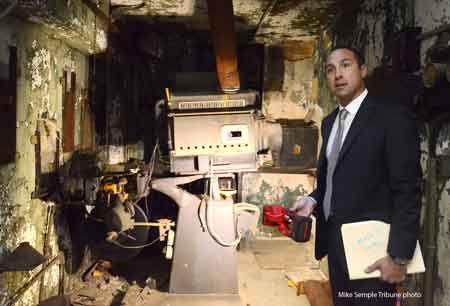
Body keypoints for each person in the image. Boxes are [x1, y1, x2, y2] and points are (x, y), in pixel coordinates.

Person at [292, 46, 421, 306]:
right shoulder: (329, 123)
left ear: (362, 70)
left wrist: (398, 257)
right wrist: (314, 200)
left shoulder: (391, 117)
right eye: (330, 69)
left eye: (345, 65)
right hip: (337, 248)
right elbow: (335, 177)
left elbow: (408, 189)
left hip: (374, 252)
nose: (337, 74)